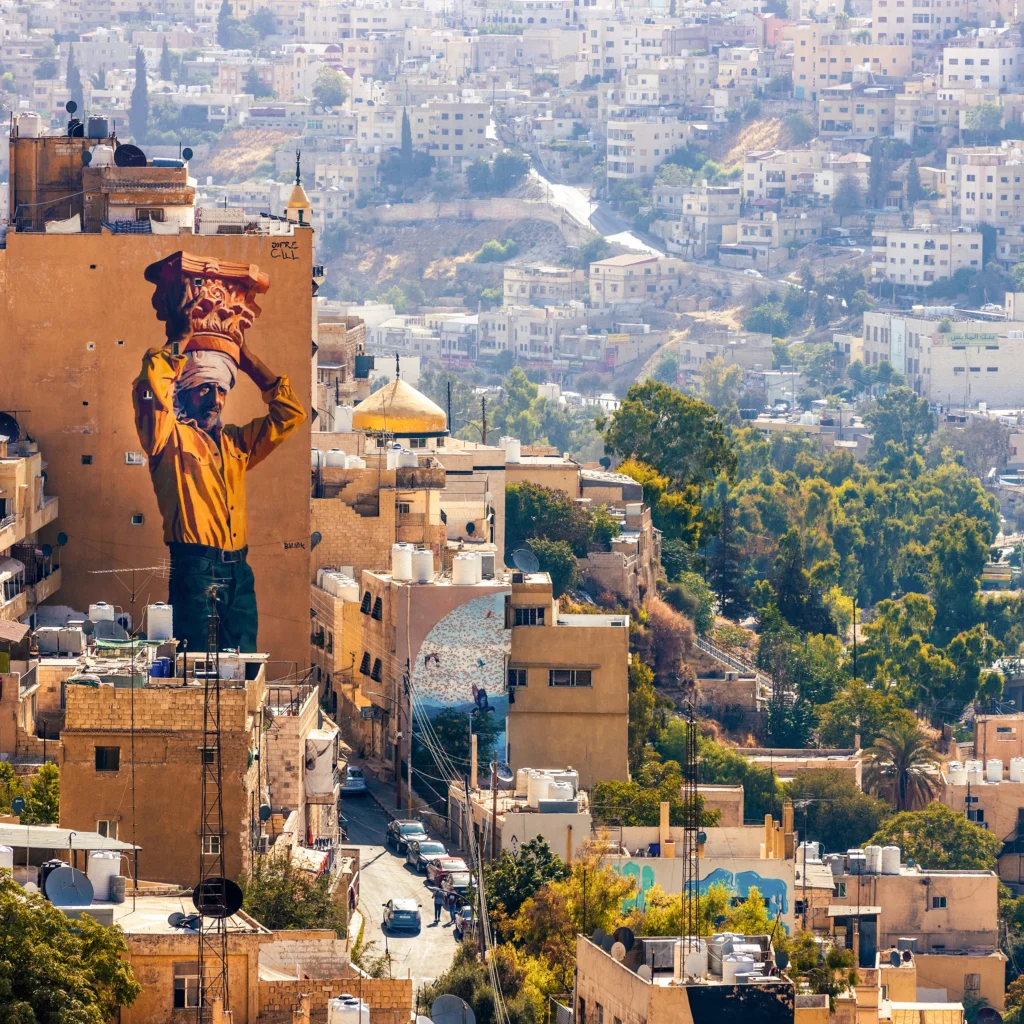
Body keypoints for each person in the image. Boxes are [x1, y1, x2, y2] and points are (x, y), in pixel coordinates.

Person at [134, 255, 305, 652]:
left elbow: (290, 414)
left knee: (242, 663)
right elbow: (150, 389)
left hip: (239, 570)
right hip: (195, 567)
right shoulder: (169, 440)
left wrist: (245, 360)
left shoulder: (236, 444)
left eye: (221, 389)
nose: (215, 399)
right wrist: (179, 339)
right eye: (204, 388)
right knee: (199, 664)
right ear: (184, 393)